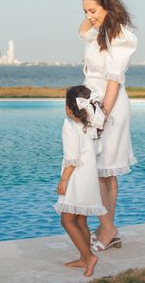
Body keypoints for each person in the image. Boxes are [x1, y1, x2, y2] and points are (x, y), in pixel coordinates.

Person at [79, 0, 137, 250]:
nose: (88, 16)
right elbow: (82, 31)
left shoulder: (120, 37)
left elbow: (113, 82)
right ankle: (108, 228)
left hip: (109, 105)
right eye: (85, 11)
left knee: (106, 169)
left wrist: (102, 115)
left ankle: (108, 229)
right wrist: (93, 11)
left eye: (93, 10)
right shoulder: (98, 31)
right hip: (93, 102)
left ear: (107, 7)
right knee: (96, 169)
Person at [53, 85, 120, 277]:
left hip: (76, 180)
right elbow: (96, 151)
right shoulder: (91, 127)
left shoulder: (69, 126)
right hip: (89, 178)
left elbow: (72, 157)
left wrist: (63, 181)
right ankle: (84, 258)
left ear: (68, 108)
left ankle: (89, 257)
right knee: (80, 221)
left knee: (67, 221)